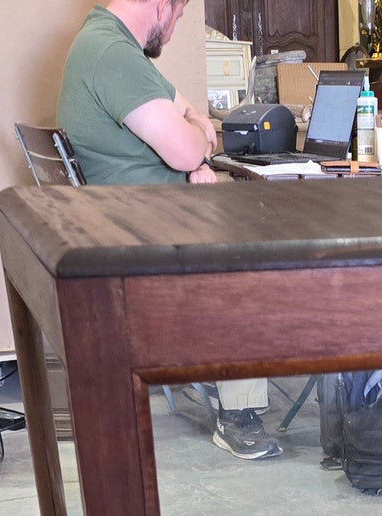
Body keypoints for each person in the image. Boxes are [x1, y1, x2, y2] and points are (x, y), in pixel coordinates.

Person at [57, 0, 282, 461]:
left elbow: (192, 115)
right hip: (147, 229)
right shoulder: (111, 55)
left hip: (152, 216)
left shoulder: (112, 46)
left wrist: (196, 143)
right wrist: (195, 153)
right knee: (256, 246)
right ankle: (238, 413)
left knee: (252, 219)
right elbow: (184, 148)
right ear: (161, 4)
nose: (176, 27)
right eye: (178, 15)